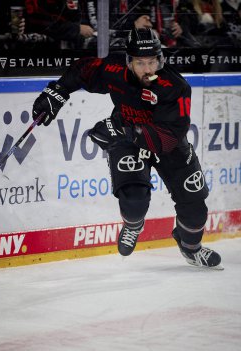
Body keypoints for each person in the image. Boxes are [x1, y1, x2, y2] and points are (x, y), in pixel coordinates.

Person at [31, 27, 223, 270]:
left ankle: (191, 249)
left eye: (153, 61)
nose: (148, 69)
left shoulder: (175, 87)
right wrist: (57, 91)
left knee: (195, 208)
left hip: (165, 143)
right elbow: (82, 70)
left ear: (160, 59)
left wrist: (124, 131)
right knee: (134, 204)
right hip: (127, 136)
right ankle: (133, 225)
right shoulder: (115, 71)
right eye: (141, 63)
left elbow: (171, 136)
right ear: (129, 61)